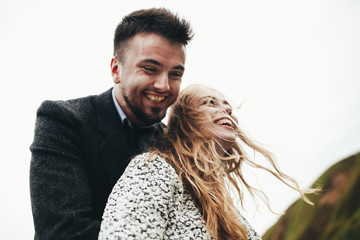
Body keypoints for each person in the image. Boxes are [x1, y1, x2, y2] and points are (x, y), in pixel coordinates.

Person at [29, 8, 193, 240]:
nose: (164, 85)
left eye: (175, 74)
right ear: (116, 69)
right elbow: (62, 233)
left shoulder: (176, 145)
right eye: (150, 69)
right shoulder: (63, 120)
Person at [98, 84, 315, 240]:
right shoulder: (152, 168)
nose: (227, 109)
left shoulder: (225, 206)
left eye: (227, 105)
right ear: (184, 122)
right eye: (209, 102)